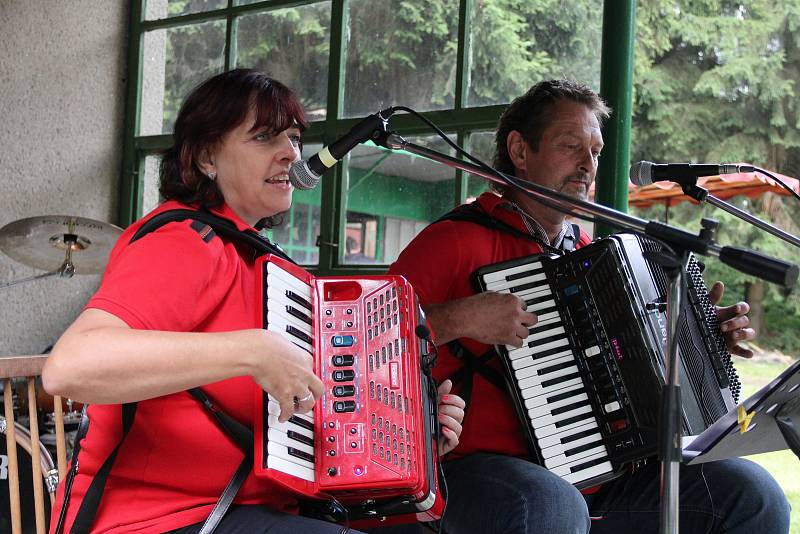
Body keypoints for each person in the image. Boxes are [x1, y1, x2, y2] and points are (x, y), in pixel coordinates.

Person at [42, 68, 464, 534]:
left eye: (293, 137)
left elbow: (300, 432)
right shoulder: (185, 242)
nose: (290, 152)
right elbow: (71, 367)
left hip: (258, 512)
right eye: (264, 137)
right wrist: (252, 350)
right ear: (206, 157)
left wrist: (410, 437)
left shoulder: (261, 263)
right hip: (157, 522)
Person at [388, 79, 791, 534]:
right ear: (520, 150)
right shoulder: (456, 240)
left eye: (595, 151)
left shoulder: (588, 253)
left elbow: (632, 363)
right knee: (552, 506)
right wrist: (460, 317)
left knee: (751, 494)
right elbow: (359, 337)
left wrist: (696, 337)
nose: (587, 164)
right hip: (467, 471)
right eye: (570, 146)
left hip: (595, 478)